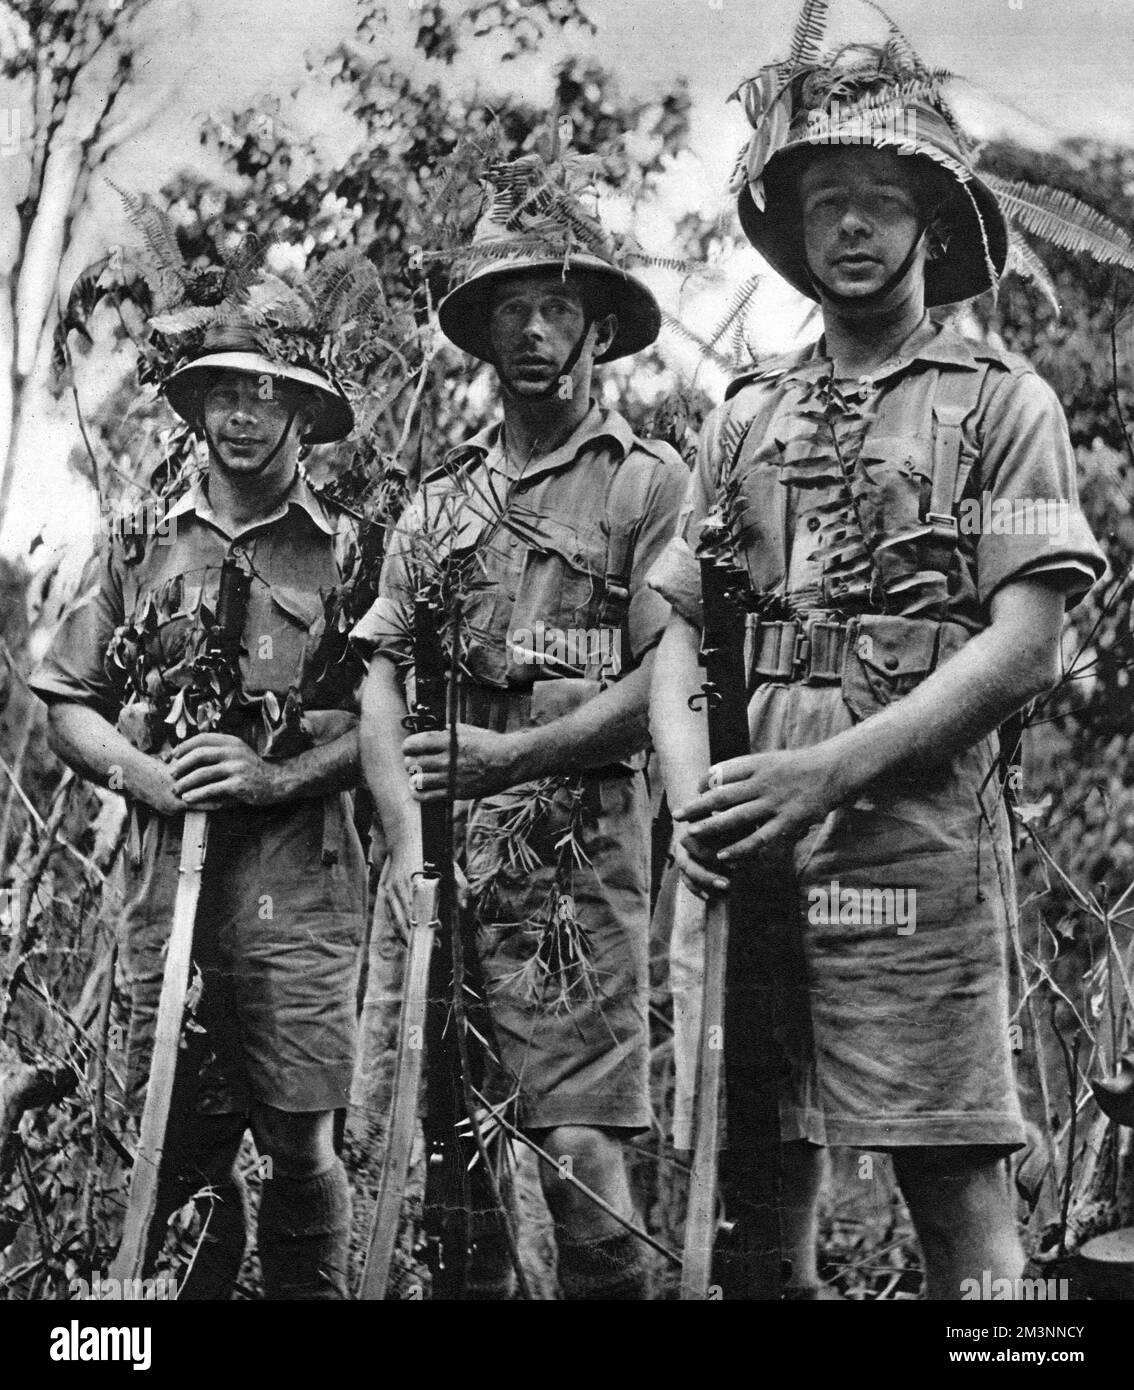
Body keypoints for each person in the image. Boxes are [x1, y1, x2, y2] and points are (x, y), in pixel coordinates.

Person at [648, 40, 1106, 1299]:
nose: (851, 226)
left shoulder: (1003, 405)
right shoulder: (745, 416)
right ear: (795, 231)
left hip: (909, 854)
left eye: (881, 200)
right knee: (752, 1204)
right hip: (751, 851)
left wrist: (826, 771)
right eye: (824, 203)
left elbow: (1028, 643)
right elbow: (683, 627)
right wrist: (700, 792)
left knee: (957, 1194)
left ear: (931, 224)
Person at [352, 153, 688, 1299]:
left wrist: (515, 756)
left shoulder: (648, 487)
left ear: (598, 327)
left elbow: (667, 681)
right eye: (513, 310)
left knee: (580, 1159)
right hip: (443, 868)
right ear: (486, 334)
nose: (535, 331)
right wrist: (404, 843)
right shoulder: (438, 503)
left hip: (575, 870)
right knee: (451, 1168)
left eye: (557, 308)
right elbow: (381, 677)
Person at [30, 308, 369, 1300]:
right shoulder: (142, 537)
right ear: (197, 405)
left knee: (301, 1144)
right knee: (174, 1149)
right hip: (165, 893)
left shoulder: (350, 549)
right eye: (226, 390)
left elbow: (381, 728)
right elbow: (67, 701)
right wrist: (144, 775)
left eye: (269, 394)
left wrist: (276, 777)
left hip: (301, 892)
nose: (246, 415)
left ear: (304, 411)